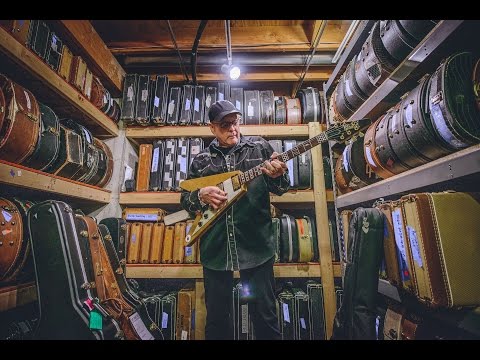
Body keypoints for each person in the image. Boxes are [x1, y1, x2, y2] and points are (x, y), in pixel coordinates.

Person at [180, 100, 290, 340]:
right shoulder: (201, 161)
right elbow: (185, 202)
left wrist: (279, 174)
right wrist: (200, 195)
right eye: (225, 125)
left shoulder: (259, 148)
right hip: (216, 250)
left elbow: (281, 188)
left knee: (265, 318)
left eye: (235, 122)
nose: (232, 129)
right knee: (217, 322)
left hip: (256, 247)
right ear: (212, 128)